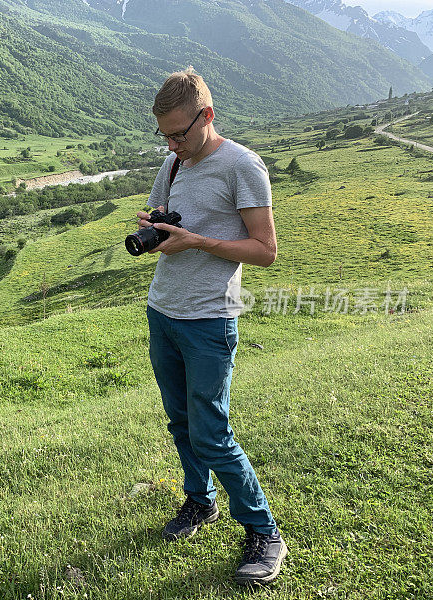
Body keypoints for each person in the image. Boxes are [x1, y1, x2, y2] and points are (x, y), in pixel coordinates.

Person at [137, 67, 286, 586]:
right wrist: (155, 228)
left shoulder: (243, 166)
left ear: (208, 115)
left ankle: (264, 532)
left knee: (212, 433)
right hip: (164, 311)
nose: (174, 144)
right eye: (166, 135)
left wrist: (198, 241)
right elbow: (167, 215)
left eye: (181, 132)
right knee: (180, 423)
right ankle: (199, 504)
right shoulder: (172, 164)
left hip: (208, 321)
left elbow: (265, 251)